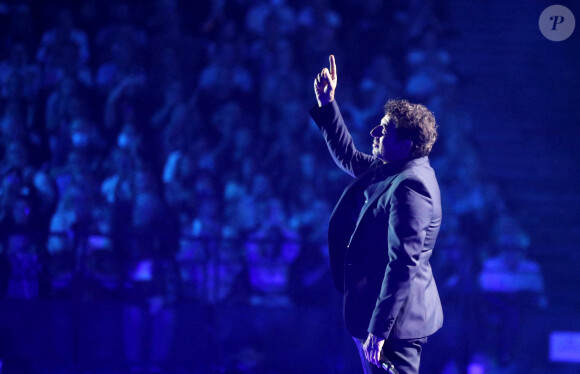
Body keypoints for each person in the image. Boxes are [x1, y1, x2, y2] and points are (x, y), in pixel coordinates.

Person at [309, 55, 443, 374]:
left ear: (406, 144)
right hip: (377, 315)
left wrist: (379, 331)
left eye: (383, 131)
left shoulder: (410, 186)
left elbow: (403, 264)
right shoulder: (393, 169)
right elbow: (348, 156)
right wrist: (327, 104)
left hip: (396, 325)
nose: (373, 133)